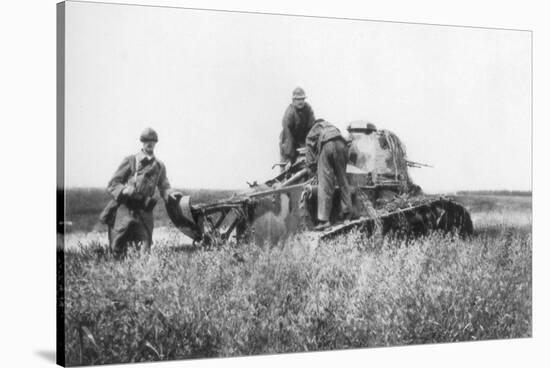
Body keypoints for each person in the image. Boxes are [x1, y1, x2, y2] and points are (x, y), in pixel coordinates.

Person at [99, 127, 182, 258]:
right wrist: (124, 190)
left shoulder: (159, 166)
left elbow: (164, 185)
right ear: (142, 142)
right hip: (125, 210)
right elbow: (113, 183)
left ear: (156, 143)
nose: (150, 143)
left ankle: (141, 275)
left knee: (145, 250)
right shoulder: (131, 160)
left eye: (153, 141)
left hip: (144, 212)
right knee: (117, 249)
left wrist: (169, 193)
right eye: (146, 141)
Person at [305, 119, 353, 231]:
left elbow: (309, 147)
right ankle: (347, 214)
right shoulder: (332, 125)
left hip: (327, 145)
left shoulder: (314, 128)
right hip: (342, 145)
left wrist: (311, 167)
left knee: (325, 184)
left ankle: (324, 220)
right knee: (343, 181)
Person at [279, 87, 316, 166]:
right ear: (293, 100)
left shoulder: (308, 109)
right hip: (288, 143)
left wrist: (311, 146)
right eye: (298, 99)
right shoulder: (289, 113)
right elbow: (287, 137)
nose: (301, 101)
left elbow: (312, 128)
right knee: (287, 168)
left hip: (302, 142)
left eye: (302, 99)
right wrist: (289, 157)